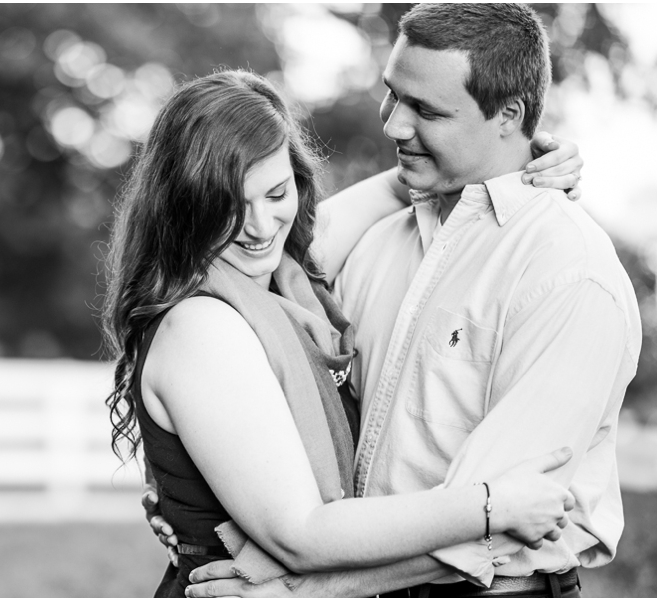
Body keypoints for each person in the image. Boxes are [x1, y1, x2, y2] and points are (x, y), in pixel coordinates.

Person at [183, 4, 641, 598]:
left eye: (426, 110)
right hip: (349, 572)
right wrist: (195, 496)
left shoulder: (567, 274)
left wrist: (301, 590)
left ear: (509, 116)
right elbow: (282, 375)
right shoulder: (379, 242)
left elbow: (507, 522)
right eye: (394, 95)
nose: (394, 125)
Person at [103, 67, 586, 598]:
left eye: (276, 193)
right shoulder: (204, 324)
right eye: (229, 206)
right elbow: (301, 535)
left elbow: (404, 184)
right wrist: (493, 506)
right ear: (186, 206)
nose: (261, 226)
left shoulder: (280, 279)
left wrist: (523, 154)